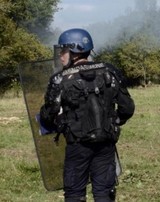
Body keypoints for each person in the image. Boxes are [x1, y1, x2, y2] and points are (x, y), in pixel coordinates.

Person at [39, 28, 135, 202]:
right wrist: (113, 122)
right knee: (105, 193)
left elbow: (47, 116)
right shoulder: (109, 71)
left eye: (64, 50)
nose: (60, 55)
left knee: (75, 194)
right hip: (106, 143)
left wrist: (55, 120)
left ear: (75, 51)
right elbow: (127, 108)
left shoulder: (59, 79)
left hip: (77, 146)